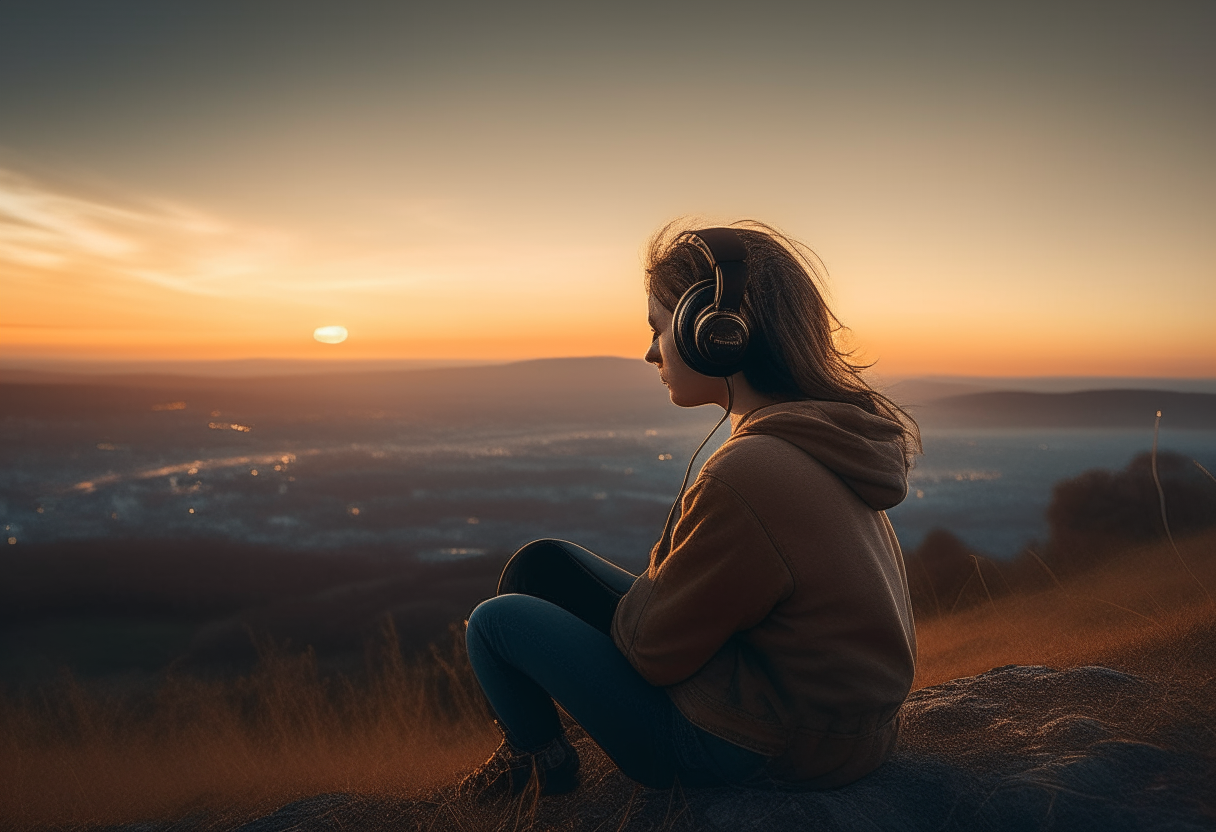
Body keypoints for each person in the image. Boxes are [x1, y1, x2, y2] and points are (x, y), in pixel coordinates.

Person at [459, 220, 920, 798]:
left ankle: (541, 769)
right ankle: (531, 753)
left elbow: (652, 654)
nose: (650, 351)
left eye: (660, 328)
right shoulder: (822, 436)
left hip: (760, 747)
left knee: (495, 623)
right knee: (541, 566)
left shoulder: (749, 470)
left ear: (717, 332)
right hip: (837, 731)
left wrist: (659, 579)